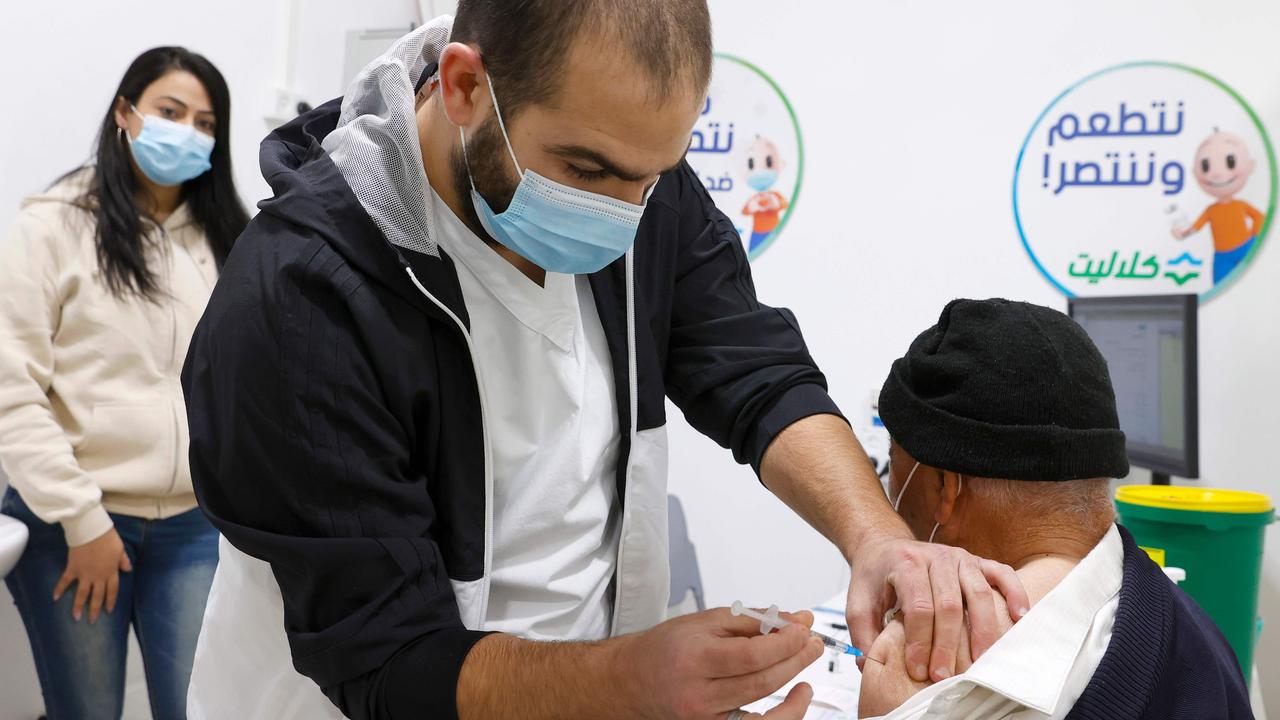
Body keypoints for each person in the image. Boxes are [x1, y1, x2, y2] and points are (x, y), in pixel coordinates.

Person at [181, 6, 1028, 719]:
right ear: (466, 84)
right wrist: (629, 682)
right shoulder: (299, 303)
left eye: (652, 178)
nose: (623, 215)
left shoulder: (627, 172)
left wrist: (879, 540)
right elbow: (390, 660)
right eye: (586, 171)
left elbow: (753, 368)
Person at [0, 47, 249, 720]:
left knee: (198, 709)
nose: (188, 133)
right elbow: (11, 393)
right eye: (170, 112)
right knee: (88, 711)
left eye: (205, 122)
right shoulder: (53, 225)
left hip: (194, 528)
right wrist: (83, 522)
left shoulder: (230, 238)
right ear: (125, 114)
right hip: (72, 525)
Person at [858, 298, 1253, 720]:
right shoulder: (1198, 629)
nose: (889, 489)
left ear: (944, 487)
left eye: (893, 460)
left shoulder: (930, 684)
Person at [1173, 130, 1266, 285]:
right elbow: (1197, 226)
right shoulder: (1211, 210)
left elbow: (1260, 217)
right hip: (1222, 255)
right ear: (1196, 173)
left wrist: (1254, 237)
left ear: (1249, 166)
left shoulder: (1240, 205)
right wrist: (1182, 234)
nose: (1216, 174)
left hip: (1245, 248)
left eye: (1230, 162)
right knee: (1220, 284)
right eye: (1205, 166)